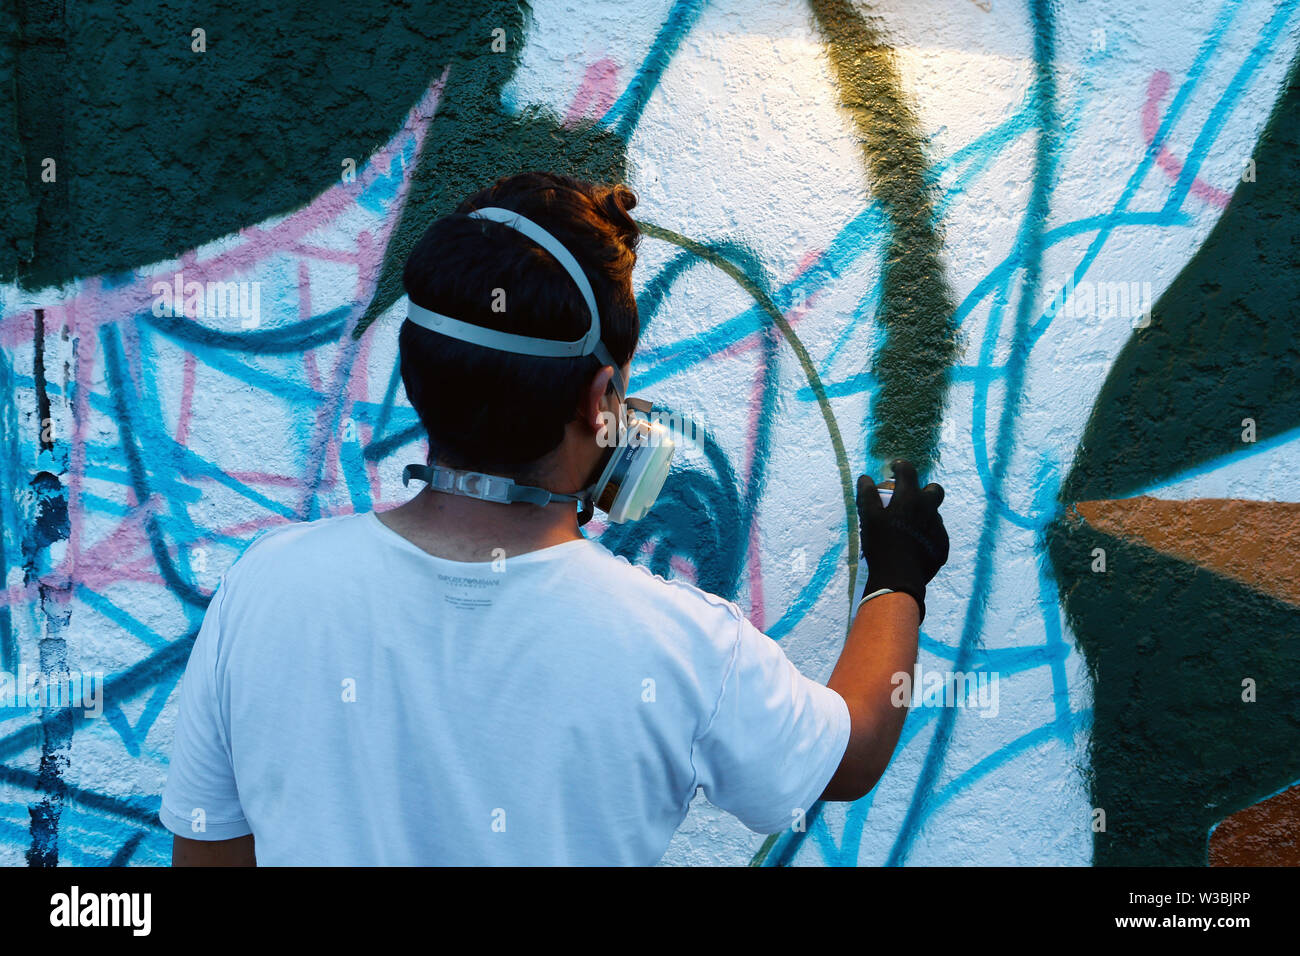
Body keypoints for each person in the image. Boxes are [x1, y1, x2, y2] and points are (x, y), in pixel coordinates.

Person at [161, 171, 949, 866]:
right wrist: (898, 575)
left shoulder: (267, 586)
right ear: (597, 400)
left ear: (419, 374)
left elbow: (207, 855)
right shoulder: (679, 646)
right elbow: (851, 752)